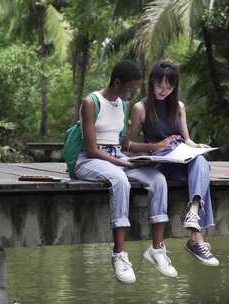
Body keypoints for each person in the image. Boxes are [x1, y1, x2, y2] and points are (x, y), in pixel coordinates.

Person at [74, 60, 177, 284]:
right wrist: (122, 164)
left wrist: (153, 149)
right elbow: (91, 149)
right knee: (120, 180)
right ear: (117, 82)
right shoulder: (91, 102)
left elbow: (122, 144)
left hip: (117, 157)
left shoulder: (121, 104)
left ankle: (157, 250)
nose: (133, 95)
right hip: (90, 159)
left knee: (158, 179)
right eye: (131, 90)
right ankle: (119, 254)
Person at [127, 60, 219, 267]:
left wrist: (196, 146)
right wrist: (156, 146)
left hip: (181, 156)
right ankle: (196, 239)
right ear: (152, 83)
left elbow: (186, 139)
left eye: (169, 87)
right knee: (202, 176)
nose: (164, 90)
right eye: (160, 85)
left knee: (202, 161)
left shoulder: (179, 107)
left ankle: (193, 212)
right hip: (160, 161)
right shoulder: (140, 108)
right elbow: (128, 145)